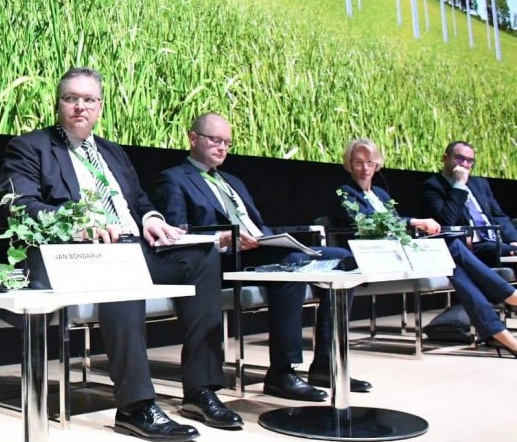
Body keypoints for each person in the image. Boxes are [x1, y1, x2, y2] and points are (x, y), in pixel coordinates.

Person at [0, 67, 242, 442]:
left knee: (202, 258)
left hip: (131, 246)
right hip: (79, 253)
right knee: (122, 268)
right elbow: (19, 204)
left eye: (89, 100)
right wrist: (78, 223)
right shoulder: (31, 147)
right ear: (58, 103)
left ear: (100, 107)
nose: (80, 107)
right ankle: (135, 406)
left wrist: (153, 219)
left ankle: (200, 390)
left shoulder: (112, 152)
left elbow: (139, 202)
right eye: (71, 98)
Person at [153, 113, 369, 401]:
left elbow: (257, 226)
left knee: (344, 258)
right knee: (290, 263)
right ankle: (282, 372)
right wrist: (223, 238)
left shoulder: (233, 181)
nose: (222, 148)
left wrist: (274, 238)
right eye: (215, 140)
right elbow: (178, 231)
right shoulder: (174, 178)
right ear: (193, 138)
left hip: (262, 247)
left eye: (227, 143)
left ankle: (326, 364)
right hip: (223, 258)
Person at [334, 138, 517, 357]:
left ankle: (499, 333)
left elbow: (395, 225)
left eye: (370, 162)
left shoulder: (380, 193)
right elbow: (367, 224)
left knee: (454, 266)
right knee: (452, 247)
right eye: (358, 162)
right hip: (374, 255)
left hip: (398, 251)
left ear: (377, 164)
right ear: (349, 164)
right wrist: (414, 222)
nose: (365, 168)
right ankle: (509, 297)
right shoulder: (345, 192)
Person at [420, 140, 517, 267]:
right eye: (459, 158)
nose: (465, 164)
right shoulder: (432, 186)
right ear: (445, 158)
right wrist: (459, 185)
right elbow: (447, 221)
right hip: (469, 244)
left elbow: (498, 216)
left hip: (496, 241)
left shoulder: (479, 183)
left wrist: (514, 240)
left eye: (470, 161)